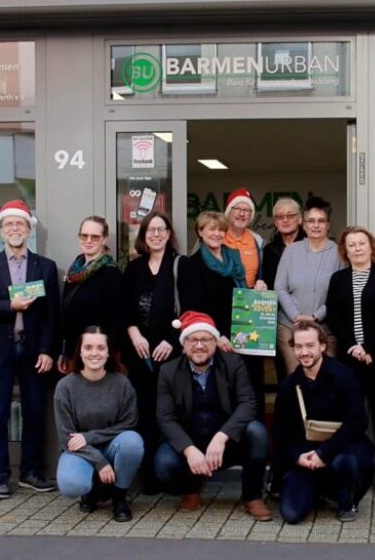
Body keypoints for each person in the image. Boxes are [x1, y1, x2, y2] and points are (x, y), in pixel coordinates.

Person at [0, 199, 60, 499]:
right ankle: (0, 476)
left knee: (35, 413)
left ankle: (31, 473)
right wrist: (10, 305)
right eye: (9, 224)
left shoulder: (44, 267)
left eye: (20, 224)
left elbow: (51, 315)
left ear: (28, 229)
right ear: (1, 230)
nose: (15, 229)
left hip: (34, 350)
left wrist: (48, 350)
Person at [153, 311, 273, 521]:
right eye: (193, 340)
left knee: (257, 432)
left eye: (206, 339)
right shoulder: (168, 371)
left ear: (215, 342)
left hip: (227, 444)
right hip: (192, 443)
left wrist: (222, 437)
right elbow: (165, 418)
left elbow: (248, 403)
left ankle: (252, 496)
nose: (199, 345)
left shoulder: (233, 364)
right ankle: (191, 487)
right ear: (184, 344)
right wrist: (189, 451)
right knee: (164, 464)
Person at [273, 321, 375, 523]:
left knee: (346, 463)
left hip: (341, 450)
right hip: (307, 458)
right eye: (299, 346)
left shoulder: (344, 376)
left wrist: (324, 453)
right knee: (291, 514)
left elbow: (357, 422)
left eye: (310, 345)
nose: (304, 352)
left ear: (322, 345)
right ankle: (317, 492)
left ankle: (346, 498)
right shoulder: (289, 386)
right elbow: (282, 432)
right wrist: (297, 457)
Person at [325, 226, 375, 498]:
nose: (357, 248)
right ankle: (356, 473)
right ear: (346, 251)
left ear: (372, 247)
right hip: (350, 360)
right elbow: (334, 316)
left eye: (362, 243)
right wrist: (353, 347)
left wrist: (368, 347)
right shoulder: (338, 279)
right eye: (352, 245)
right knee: (353, 418)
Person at [55, 327, 142, 522]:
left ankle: (119, 496)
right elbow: (65, 437)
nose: (95, 353)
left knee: (133, 442)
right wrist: (99, 462)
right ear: (80, 351)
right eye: (88, 347)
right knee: (71, 485)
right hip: (79, 450)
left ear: (108, 352)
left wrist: (89, 437)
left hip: (112, 446)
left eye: (101, 348)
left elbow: (129, 423)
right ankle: (92, 490)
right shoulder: (65, 386)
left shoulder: (122, 384)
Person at [122, 211, 182, 493]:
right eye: (151, 230)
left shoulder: (182, 266)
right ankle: (147, 475)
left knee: (169, 414)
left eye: (161, 229)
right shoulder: (133, 269)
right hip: (140, 354)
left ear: (169, 234)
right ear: (144, 236)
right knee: (143, 413)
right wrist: (133, 332)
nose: (156, 234)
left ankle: (169, 474)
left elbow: (190, 310)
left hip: (171, 354)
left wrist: (172, 339)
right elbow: (123, 310)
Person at [275, 196, 344, 374]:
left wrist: (315, 317)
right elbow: (279, 287)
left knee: (325, 381)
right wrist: (297, 316)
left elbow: (340, 294)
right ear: (303, 224)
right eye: (311, 221)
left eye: (321, 221)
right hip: (290, 327)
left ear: (328, 224)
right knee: (297, 379)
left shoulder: (339, 253)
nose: (316, 225)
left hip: (325, 329)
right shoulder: (291, 251)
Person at [221, 187, 269, 417]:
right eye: (237, 209)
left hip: (249, 311)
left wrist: (262, 284)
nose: (241, 213)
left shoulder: (257, 240)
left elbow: (263, 273)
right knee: (226, 370)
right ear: (228, 212)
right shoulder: (216, 237)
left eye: (246, 210)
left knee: (252, 373)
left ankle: (255, 424)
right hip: (223, 310)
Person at [58, 216, 121, 373]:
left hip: (98, 355)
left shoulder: (111, 273)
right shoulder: (74, 271)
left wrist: (108, 354)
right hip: (74, 353)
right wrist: (64, 351)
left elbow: (119, 318)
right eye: (84, 235)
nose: (88, 240)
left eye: (95, 236)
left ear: (104, 239)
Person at [177, 211, 246, 354]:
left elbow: (241, 294)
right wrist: (216, 335)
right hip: (213, 339)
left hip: (241, 334)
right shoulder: (191, 265)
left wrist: (257, 289)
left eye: (221, 229)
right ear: (200, 232)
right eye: (212, 229)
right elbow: (192, 310)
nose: (217, 234)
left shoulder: (233, 258)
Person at [263, 197, 306, 386]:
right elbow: (266, 283)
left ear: (300, 219)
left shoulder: (312, 245)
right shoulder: (269, 251)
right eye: (280, 216)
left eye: (290, 215)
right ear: (275, 222)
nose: (285, 220)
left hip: (309, 318)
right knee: (285, 377)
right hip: (279, 323)